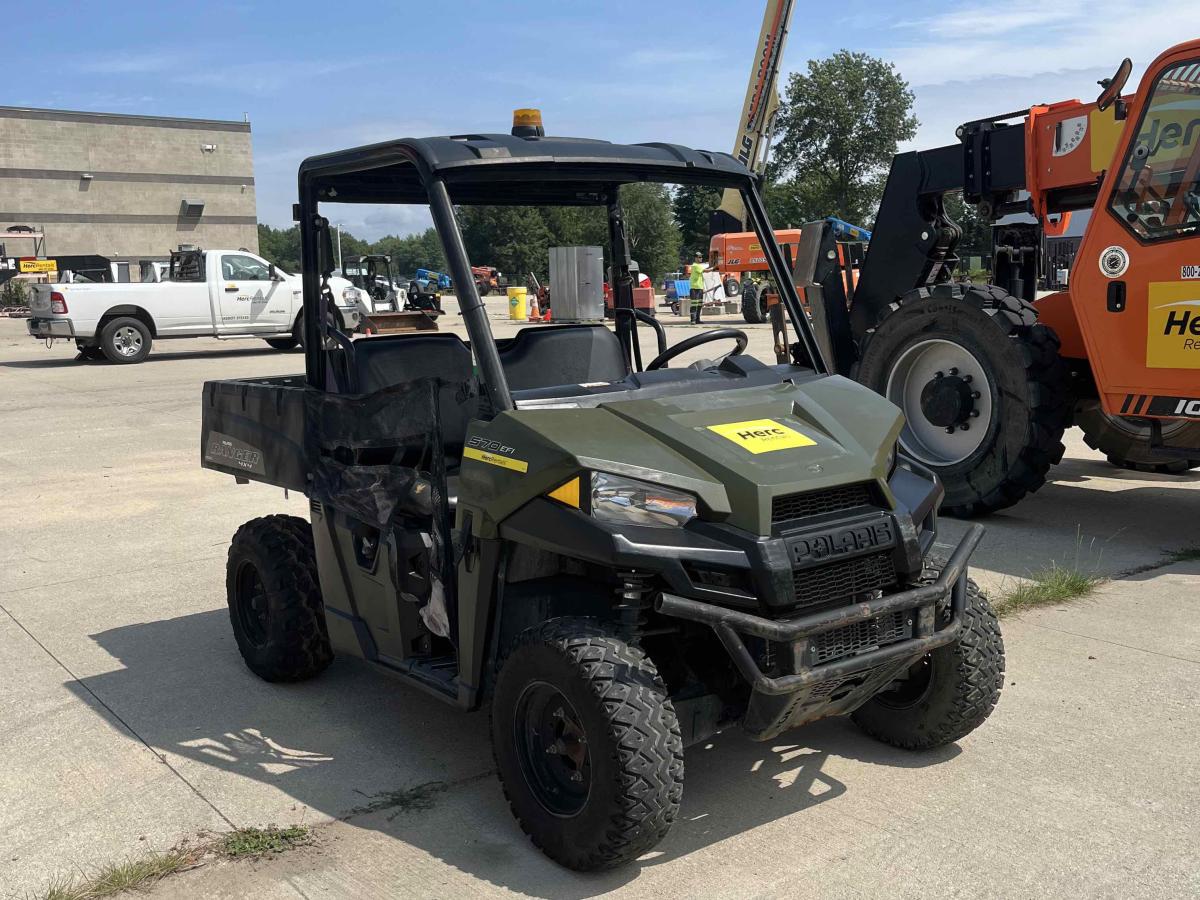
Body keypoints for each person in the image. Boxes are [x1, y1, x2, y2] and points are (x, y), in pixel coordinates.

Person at [688, 252, 707, 324]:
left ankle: (697, 320)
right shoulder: (695, 265)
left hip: (699, 288)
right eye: (699, 257)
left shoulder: (699, 266)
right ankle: (693, 320)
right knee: (694, 304)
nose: (701, 258)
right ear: (695, 258)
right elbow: (706, 271)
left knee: (699, 305)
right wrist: (714, 268)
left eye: (701, 257)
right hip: (694, 288)